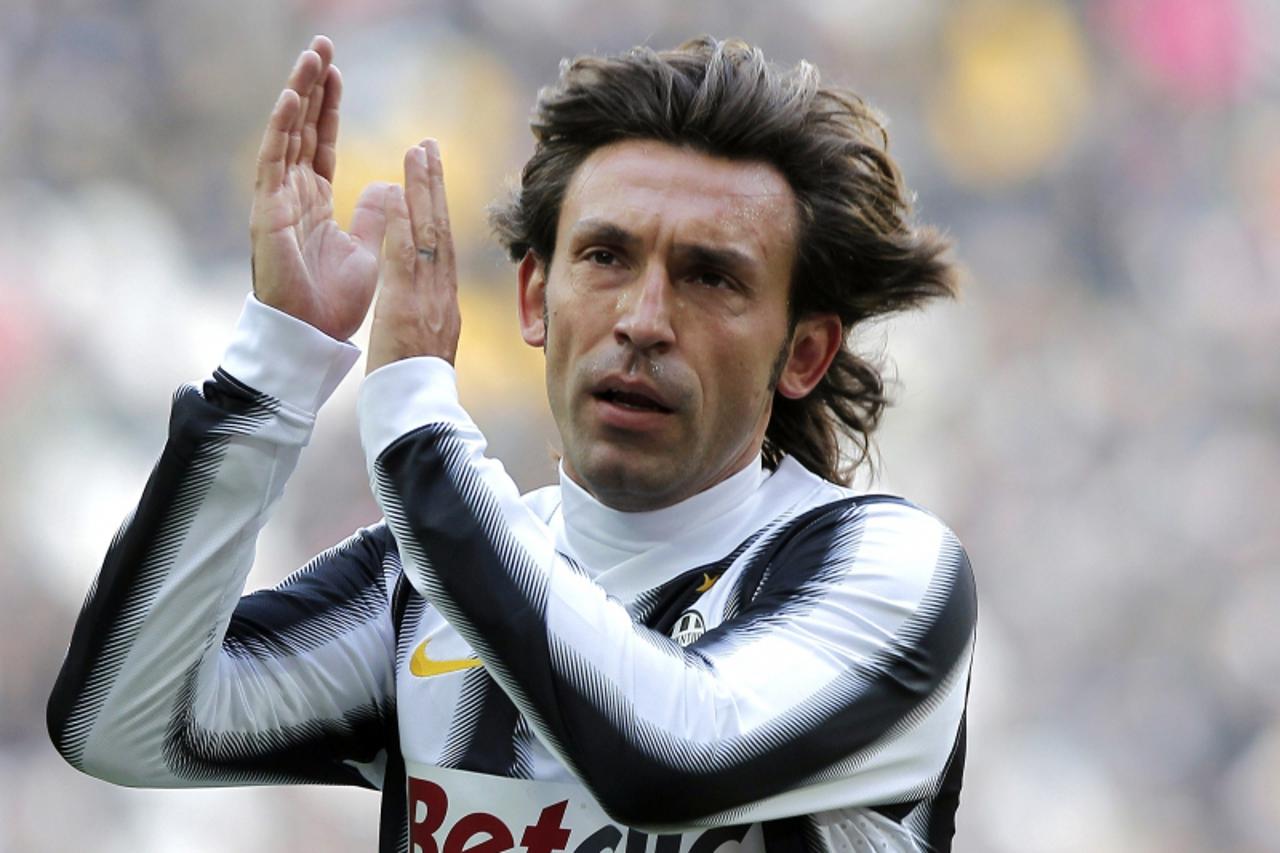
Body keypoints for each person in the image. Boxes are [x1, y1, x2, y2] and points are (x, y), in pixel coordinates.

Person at [48, 34, 976, 853]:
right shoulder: (423, 586)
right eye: (606, 257)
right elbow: (119, 722)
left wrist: (419, 423)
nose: (644, 319)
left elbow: (668, 762)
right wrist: (276, 366)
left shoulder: (889, 572)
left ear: (804, 352)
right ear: (535, 299)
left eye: (709, 277)